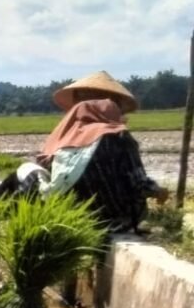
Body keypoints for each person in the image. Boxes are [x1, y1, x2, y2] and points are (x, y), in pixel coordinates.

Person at [37, 77, 167, 234]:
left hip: (68, 218)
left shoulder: (62, 139)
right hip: (114, 218)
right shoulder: (118, 136)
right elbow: (138, 183)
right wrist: (158, 191)